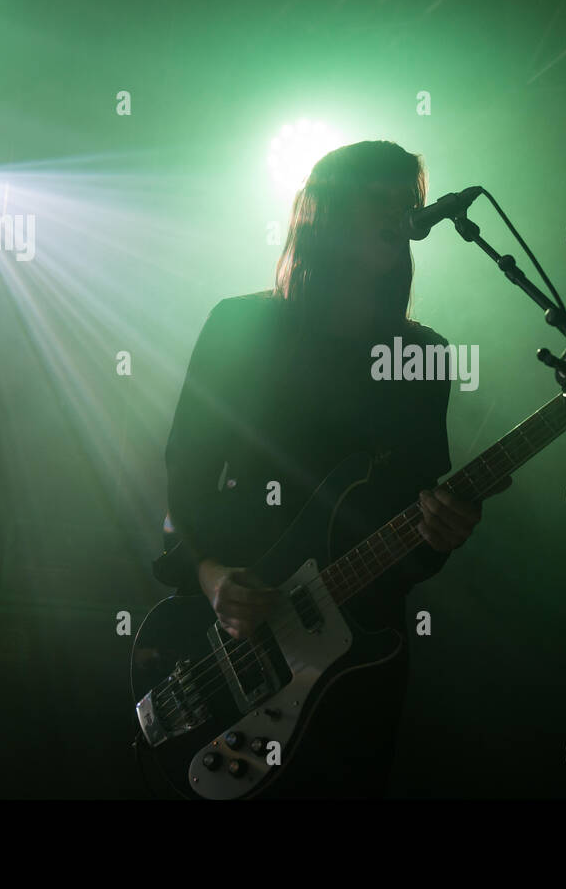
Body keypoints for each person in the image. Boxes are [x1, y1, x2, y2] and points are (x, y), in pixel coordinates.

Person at [158, 140, 510, 798]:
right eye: (383, 198)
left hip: (356, 664)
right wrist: (207, 575)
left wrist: (446, 528)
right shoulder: (241, 325)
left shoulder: (423, 353)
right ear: (329, 211)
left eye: (409, 200)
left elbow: (419, 530)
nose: (403, 213)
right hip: (232, 639)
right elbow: (184, 471)